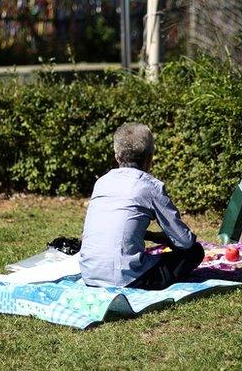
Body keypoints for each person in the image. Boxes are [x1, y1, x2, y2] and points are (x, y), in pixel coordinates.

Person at [79, 122, 204, 290]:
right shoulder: (151, 187)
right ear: (150, 158)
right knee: (194, 252)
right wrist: (158, 237)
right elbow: (185, 241)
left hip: (89, 274)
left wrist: (149, 236)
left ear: (117, 156)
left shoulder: (102, 182)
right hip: (126, 279)